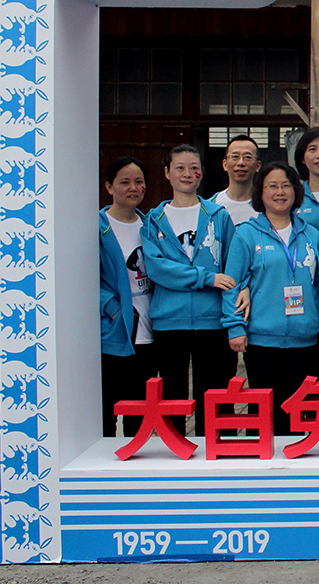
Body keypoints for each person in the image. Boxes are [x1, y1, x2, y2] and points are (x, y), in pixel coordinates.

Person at [223, 163, 319, 436]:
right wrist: (235, 327)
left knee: (302, 415)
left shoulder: (312, 235)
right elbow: (232, 283)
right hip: (262, 341)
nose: (280, 192)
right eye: (272, 186)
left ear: (296, 191)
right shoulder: (246, 234)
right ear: (260, 193)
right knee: (264, 417)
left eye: (286, 185)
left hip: (306, 340)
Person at [142, 144, 237, 436]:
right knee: (172, 397)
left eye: (194, 168)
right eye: (180, 167)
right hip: (170, 322)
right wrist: (206, 278)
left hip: (213, 322)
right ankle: (175, 451)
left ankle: (218, 452)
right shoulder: (154, 220)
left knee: (216, 395)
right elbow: (157, 268)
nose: (187, 173)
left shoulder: (218, 216)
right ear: (167, 172)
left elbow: (232, 269)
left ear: (202, 173)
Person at [99, 156, 158, 437]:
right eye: (124, 182)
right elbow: (82, 280)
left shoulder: (151, 226)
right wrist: (112, 308)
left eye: (139, 181)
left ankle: (137, 456)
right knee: (107, 409)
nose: (133, 188)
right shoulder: (96, 228)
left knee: (141, 409)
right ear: (109, 187)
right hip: (115, 329)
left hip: (150, 328)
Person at [213, 134, 262, 225]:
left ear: (258, 166)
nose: (241, 163)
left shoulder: (268, 205)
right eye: (235, 156)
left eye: (247, 157)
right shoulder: (211, 206)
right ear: (225, 164)